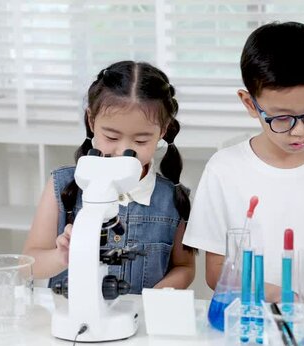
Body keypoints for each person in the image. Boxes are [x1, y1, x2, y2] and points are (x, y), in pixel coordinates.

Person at [182, 22, 304, 302]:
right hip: (255, 322)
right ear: (250, 104)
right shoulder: (224, 171)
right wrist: (286, 298)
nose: (299, 130)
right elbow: (216, 273)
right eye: (282, 118)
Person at [24, 61, 195, 294]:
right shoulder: (62, 185)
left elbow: (185, 267)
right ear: (92, 121)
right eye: (112, 137)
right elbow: (29, 264)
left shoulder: (172, 198)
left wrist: (154, 297)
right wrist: (61, 256)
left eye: (141, 141)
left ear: (163, 131)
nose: (123, 150)